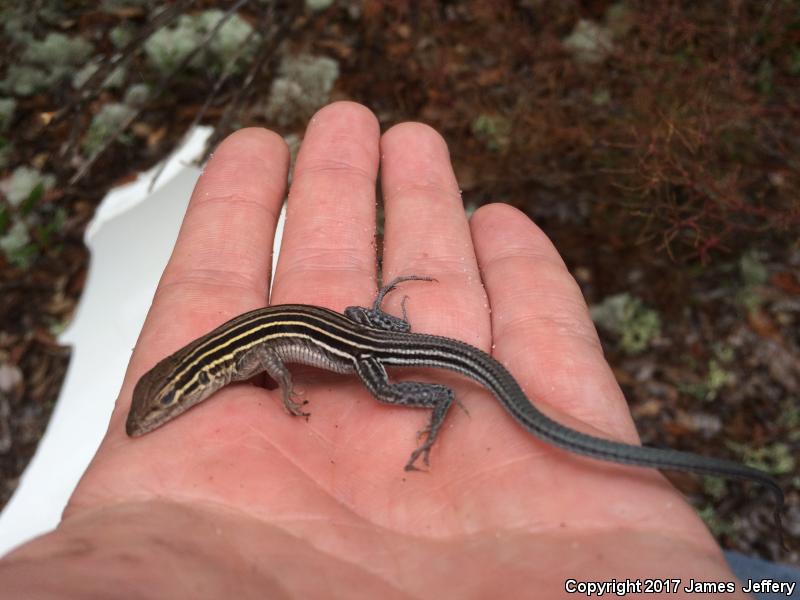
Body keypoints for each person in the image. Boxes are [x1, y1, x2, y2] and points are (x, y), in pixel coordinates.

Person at [0, 102, 774, 598]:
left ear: (189, 383)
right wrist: (300, 380)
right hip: (350, 334)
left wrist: (296, 386)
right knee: (762, 586)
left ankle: (439, 399)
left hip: (357, 350)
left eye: (161, 404)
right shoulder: (223, 353)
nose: (158, 413)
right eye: (159, 404)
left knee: (386, 388)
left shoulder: (233, 358)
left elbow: (272, 357)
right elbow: (269, 354)